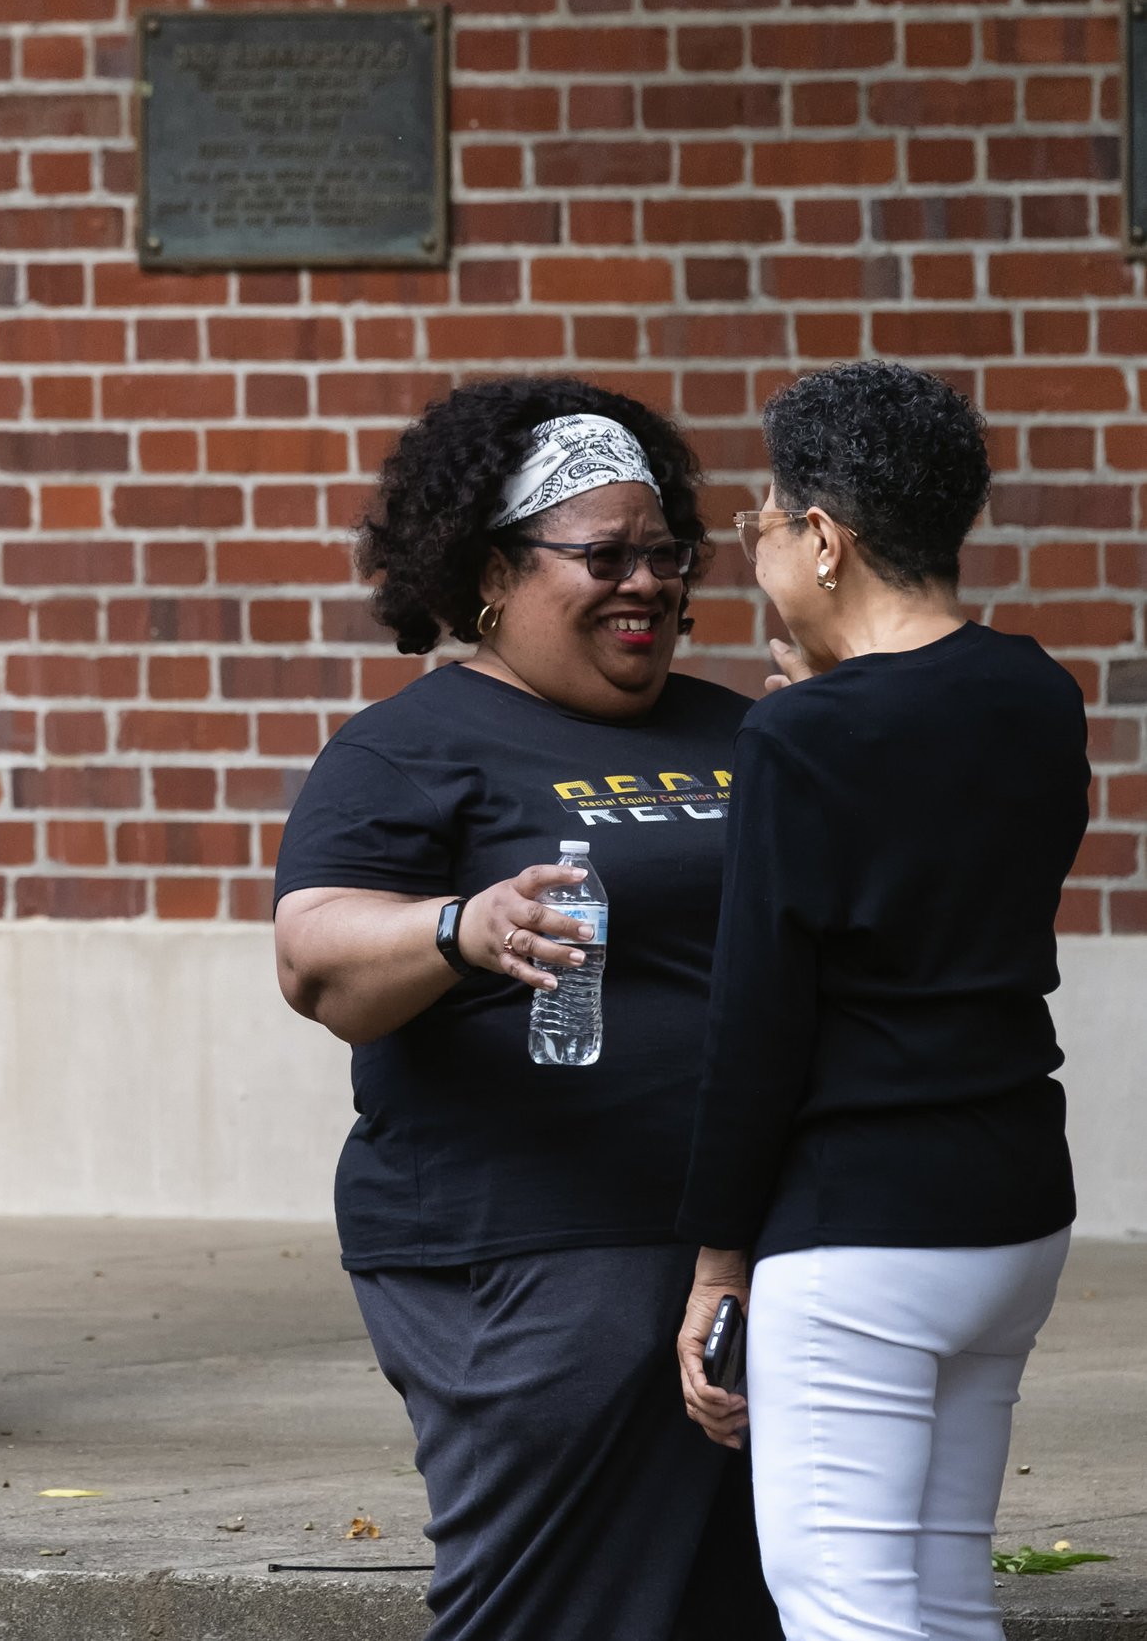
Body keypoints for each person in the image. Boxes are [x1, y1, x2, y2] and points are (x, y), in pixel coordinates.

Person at [273, 376, 780, 1641]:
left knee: (739, 1599)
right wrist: (460, 927)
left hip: (750, 1238)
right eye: (604, 554)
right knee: (552, 1608)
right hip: (529, 1250)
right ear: (492, 572)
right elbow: (315, 960)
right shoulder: (410, 748)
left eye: (667, 554)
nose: (647, 584)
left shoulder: (748, 734)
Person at [676, 361, 1088, 1641]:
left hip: (862, 1234)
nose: (755, 551)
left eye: (761, 522)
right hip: (1011, 1206)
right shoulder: (1036, 692)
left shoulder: (800, 739)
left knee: (845, 1607)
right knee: (943, 1598)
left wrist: (712, 1263)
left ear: (825, 537)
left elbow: (757, 1022)